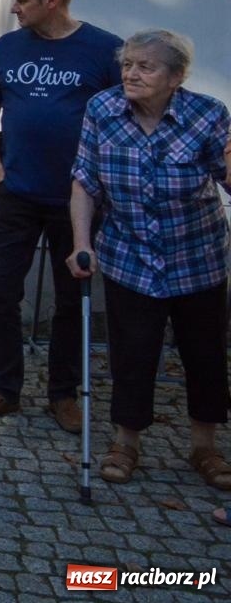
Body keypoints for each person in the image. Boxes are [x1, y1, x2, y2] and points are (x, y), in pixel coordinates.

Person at [66, 29, 231, 489]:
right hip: (129, 257)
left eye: (145, 66)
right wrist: (82, 242)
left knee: (206, 356)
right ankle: (126, 443)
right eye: (127, 65)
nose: (131, 74)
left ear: (176, 76)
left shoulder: (208, 115)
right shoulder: (102, 110)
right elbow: (85, 181)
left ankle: (206, 446)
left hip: (197, 259)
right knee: (131, 354)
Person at [0, 0, 123, 431]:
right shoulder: (9, 46)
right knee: (0, 293)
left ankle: (63, 393)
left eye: (22, 0)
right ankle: (3, 389)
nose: (13, 7)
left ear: (52, 0)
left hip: (77, 198)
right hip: (16, 193)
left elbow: (120, 118)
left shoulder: (102, 49)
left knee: (73, 298)